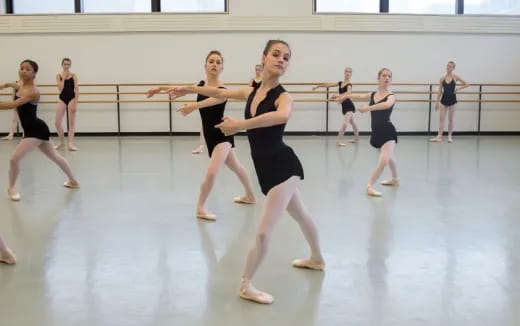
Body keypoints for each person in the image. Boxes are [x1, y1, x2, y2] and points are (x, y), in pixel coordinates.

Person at [168, 40, 325, 304]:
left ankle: (245, 284)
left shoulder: (284, 97)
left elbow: (282, 116)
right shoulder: (252, 92)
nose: (281, 60)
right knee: (300, 214)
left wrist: (241, 125)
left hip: (283, 167)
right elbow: (219, 93)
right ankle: (317, 259)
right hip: (265, 168)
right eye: (276, 54)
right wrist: (187, 89)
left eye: (286, 58)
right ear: (263, 58)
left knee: (264, 231)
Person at [147, 50, 256, 221]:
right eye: (211, 61)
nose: (214, 64)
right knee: (237, 167)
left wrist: (194, 105)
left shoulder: (222, 89)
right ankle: (250, 196)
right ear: (205, 66)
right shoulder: (200, 84)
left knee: (212, 172)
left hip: (222, 133)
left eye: (218, 62)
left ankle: (200, 208)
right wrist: (159, 89)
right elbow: (181, 89)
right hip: (210, 136)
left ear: (222, 68)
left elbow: (214, 100)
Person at [0, 59, 80, 201]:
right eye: (21, 68)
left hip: (35, 131)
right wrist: (4, 85)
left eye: (27, 69)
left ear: (34, 73)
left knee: (14, 159)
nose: (23, 71)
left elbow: (12, 104)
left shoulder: (33, 91)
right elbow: (11, 84)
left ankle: (11, 189)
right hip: (38, 129)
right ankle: (72, 181)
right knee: (55, 157)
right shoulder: (21, 85)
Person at [335, 68, 399, 197]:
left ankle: (369, 186)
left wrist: (368, 108)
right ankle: (395, 179)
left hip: (388, 131)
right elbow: (358, 96)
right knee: (390, 158)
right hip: (376, 131)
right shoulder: (373, 94)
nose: (387, 78)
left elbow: (386, 105)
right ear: (378, 78)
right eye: (384, 75)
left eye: (389, 76)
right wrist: (345, 96)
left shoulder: (391, 96)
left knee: (384, 159)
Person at [313, 67, 359, 145]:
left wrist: (337, 95)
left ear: (351, 74)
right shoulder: (340, 83)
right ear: (344, 72)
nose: (348, 73)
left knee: (345, 124)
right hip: (343, 106)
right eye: (346, 71)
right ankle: (356, 139)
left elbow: (348, 93)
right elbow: (328, 85)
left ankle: (339, 141)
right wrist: (319, 86)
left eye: (350, 72)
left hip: (349, 105)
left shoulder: (349, 85)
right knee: (353, 123)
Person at [430, 61, 469, 143]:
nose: (448, 67)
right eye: (447, 66)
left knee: (450, 119)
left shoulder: (455, 77)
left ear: (453, 68)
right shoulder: (442, 78)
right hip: (444, 99)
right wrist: (437, 102)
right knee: (441, 119)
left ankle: (449, 136)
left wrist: (458, 89)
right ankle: (439, 136)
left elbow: (466, 84)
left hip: (452, 100)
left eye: (450, 66)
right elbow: (440, 90)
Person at [55, 58, 80, 151]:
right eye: (65, 64)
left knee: (71, 123)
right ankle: (61, 142)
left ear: (70, 65)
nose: (66, 66)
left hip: (71, 99)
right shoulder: (58, 76)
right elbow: (60, 89)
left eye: (68, 64)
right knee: (57, 122)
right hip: (62, 98)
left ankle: (70, 143)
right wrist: (64, 78)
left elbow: (77, 90)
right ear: (62, 65)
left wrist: (75, 104)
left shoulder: (74, 75)